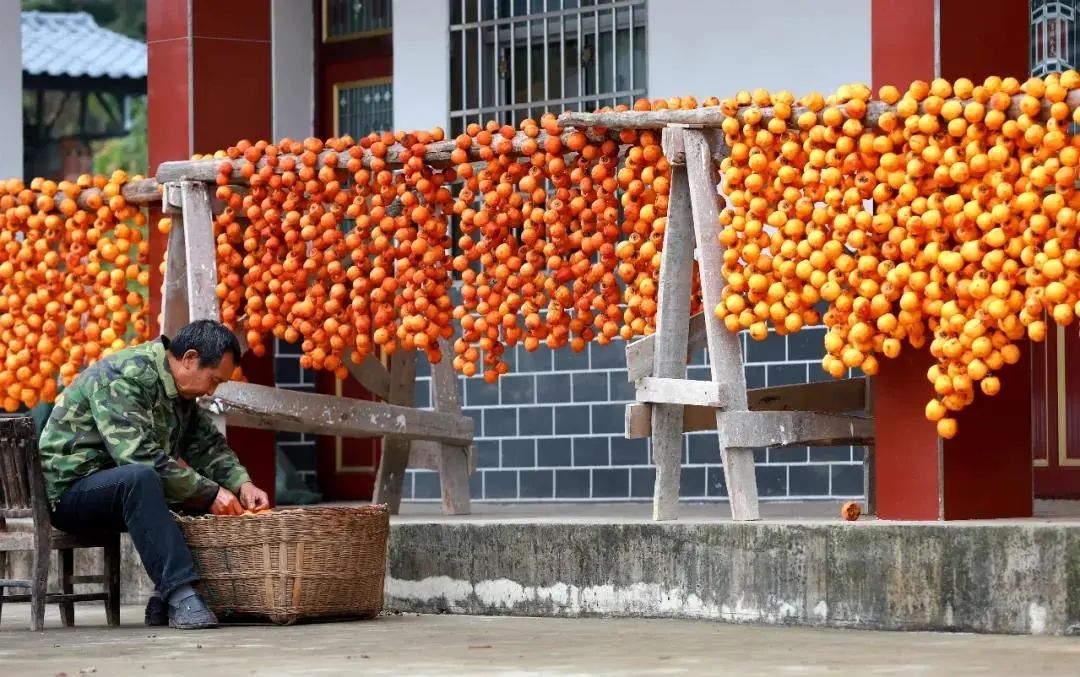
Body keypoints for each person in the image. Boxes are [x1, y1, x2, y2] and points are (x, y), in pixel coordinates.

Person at [38, 319, 270, 630]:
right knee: (145, 478)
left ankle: (164, 599)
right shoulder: (126, 376)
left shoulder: (181, 392)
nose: (212, 390)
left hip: (121, 491)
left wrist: (242, 484)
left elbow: (207, 446)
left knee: (187, 489)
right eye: (213, 380)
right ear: (189, 359)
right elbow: (137, 457)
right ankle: (181, 594)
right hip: (69, 495)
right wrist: (209, 492)